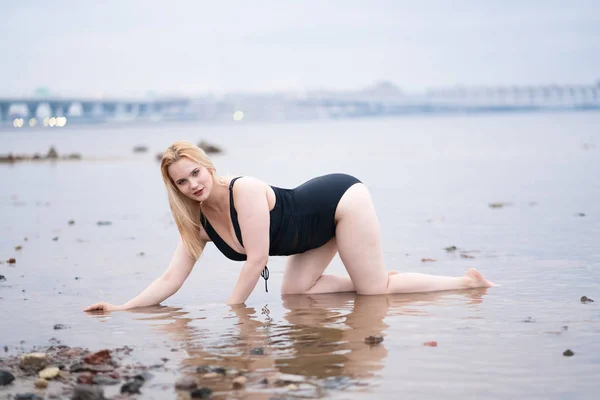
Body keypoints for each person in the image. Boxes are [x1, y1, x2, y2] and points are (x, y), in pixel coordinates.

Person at [84, 141, 493, 312]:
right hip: (311, 232)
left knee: (373, 292)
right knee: (295, 292)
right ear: (174, 187)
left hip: (340, 202)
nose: (193, 184)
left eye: (196, 173)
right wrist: (123, 308)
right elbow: (172, 276)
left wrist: (233, 312)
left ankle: (466, 284)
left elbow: (256, 259)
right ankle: (373, 271)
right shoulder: (199, 223)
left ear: (208, 166)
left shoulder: (242, 191)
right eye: (182, 181)